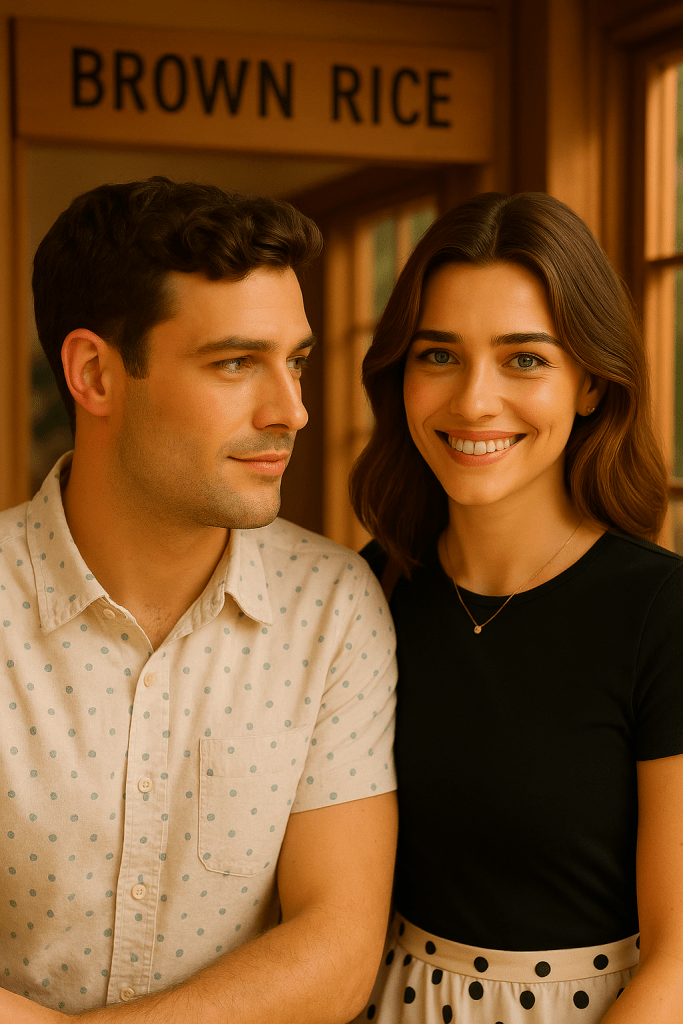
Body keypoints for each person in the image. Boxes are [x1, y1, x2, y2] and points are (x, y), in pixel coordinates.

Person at [0, 177, 398, 1024]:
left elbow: (336, 954)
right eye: (234, 363)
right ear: (94, 374)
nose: (290, 409)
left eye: (293, 361)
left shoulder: (332, 607)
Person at [349, 191, 683, 1023]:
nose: (471, 401)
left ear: (589, 387)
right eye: (438, 356)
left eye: (524, 359)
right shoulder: (366, 590)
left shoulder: (660, 611)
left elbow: (681, 959)